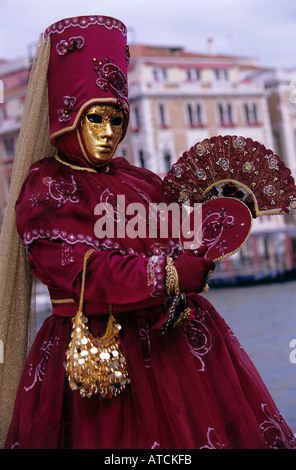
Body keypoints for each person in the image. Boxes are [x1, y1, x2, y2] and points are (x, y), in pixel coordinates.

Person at [1, 15, 296, 449]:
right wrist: (170, 275)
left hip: (174, 345)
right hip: (99, 356)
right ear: (66, 119)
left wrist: (205, 249)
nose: (108, 133)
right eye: (94, 118)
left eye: (116, 119)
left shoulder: (140, 180)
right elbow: (84, 272)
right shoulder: (47, 188)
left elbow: (181, 237)